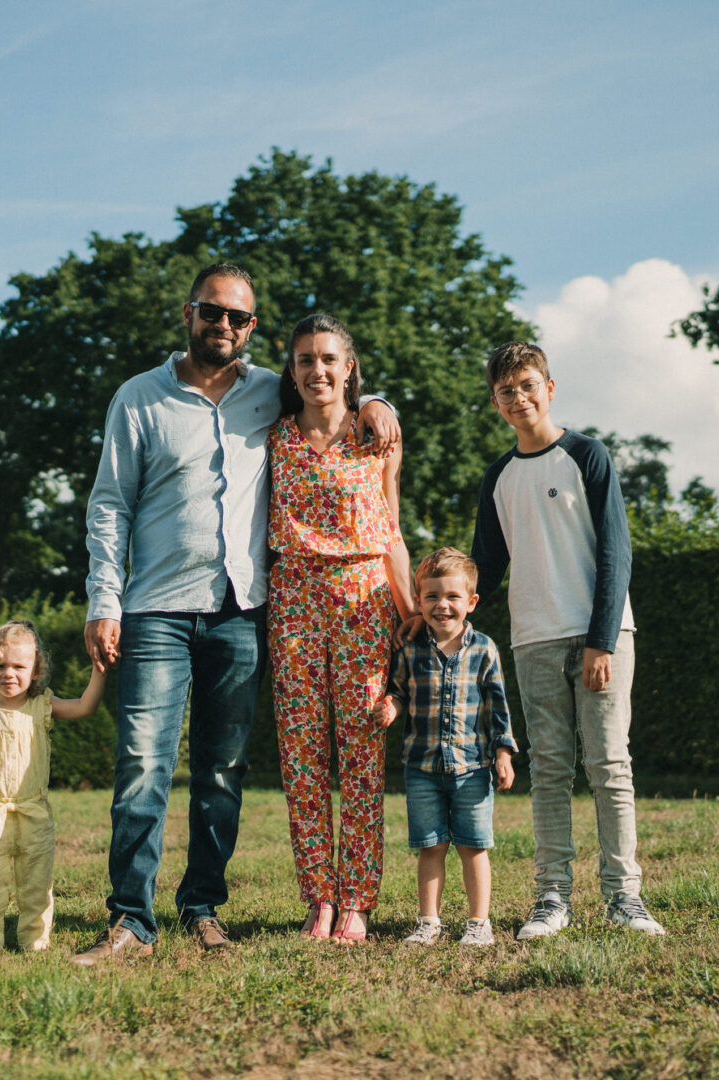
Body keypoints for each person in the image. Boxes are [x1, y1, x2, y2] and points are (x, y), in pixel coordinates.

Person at [76, 264, 400, 965]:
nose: (223, 325)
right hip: (156, 607)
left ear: (252, 329)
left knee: (222, 769)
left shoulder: (267, 395)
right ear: (187, 314)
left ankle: (202, 907)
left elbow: (336, 393)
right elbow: (109, 505)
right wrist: (104, 599)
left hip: (242, 610)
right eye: (211, 312)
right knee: (142, 764)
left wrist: (377, 399)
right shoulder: (138, 398)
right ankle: (131, 918)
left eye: (238, 318)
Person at [472, 341, 665, 938]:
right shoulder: (499, 477)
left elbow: (616, 551)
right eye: (506, 391)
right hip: (532, 640)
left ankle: (624, 897)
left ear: (549, 388)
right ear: (497, 403)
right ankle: (552, 899)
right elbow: (483, 565)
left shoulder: (587, 456)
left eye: (528, 385)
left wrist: (602, 640)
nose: (519, 398)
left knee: (609, 765)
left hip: (599, 636)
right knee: (550, 770)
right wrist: (437, 613)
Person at [267, 313, 414, 945]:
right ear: (292, 369)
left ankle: (356, 898)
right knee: (301, 758)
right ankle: (318, 899)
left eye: (329, 359)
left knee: (360, 752)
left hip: (362, 600)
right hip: (294, 599)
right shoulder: (272, 437)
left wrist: (410, 616)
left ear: (349, 368)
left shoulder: (378, 437)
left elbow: (393, 532)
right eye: (305, 360)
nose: (317, 371)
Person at [376, 547, 516, 947]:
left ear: (470, 602)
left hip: (472, 767)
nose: (442, 605)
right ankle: (429, 922)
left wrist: (504, 753)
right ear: (418, 601)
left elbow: (498, 706)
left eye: (453, 596)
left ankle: (478, 922)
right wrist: (391, 705)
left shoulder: (484, 649)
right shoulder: (410, 650)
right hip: (421, 767)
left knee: (474, 846)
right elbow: (400, 691)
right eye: (432, 596)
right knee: (431, 846)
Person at [0, 619, 107, 954]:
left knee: (36, 885)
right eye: (0, 666)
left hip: (33, 811)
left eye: (19, 666)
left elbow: (85, 706)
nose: (9, 673)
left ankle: (35, 944)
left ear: (36, 671)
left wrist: (99, 670)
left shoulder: (42, 708)